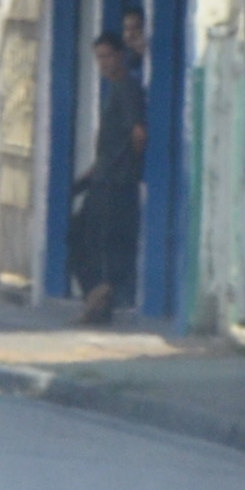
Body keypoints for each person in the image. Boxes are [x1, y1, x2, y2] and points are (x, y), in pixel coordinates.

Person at [72, 29, 147, 322]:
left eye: (106, 56)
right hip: (103, 178)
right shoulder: (115, 91)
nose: (102, 63)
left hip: (115, 183)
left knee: (97, 241)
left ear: (120, 56)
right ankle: (97, 300)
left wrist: (127, 166)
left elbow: (138, 133)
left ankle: (100, 299)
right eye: (98, 57)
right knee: (84, 237)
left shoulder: (126, 89)